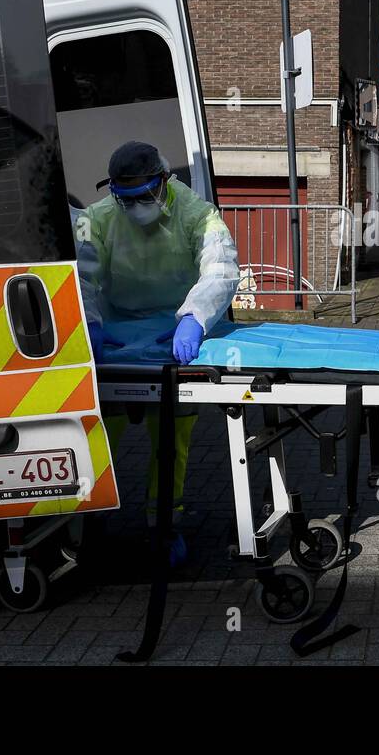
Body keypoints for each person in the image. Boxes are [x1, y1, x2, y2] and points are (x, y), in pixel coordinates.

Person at [76, 141, 240, 559]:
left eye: (145, 196)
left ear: (164, 182)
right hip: (117, 339)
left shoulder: (197, 214)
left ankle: (163, 523)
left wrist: (195, 317)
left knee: (170, 441)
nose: (136, 206)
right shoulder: (97, 220)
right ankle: (87, 519)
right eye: (126, 199)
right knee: (95, 435)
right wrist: (89, 323)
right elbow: (82, 277)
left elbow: (220, 268)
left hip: (173, 335)